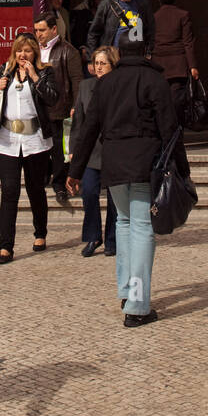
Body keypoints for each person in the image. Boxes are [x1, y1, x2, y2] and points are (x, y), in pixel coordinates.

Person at [66, 39, 188, 327]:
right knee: (142, 227)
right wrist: (183, 168)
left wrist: (75, 170)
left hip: (114, 162)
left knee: (123, 222)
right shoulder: (154, 80)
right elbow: (170, 128)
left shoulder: (105, 84)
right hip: (145, 162)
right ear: (146, 55)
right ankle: (137, 305)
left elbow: (89, 129)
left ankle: (125, 291)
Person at [0, 33, 59, 262]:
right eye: (19, 50)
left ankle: (40, 232)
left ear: (35, 52)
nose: (22, 55)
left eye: (27, 50)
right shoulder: (5, 70)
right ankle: (5, 247)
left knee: (35, 189)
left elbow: (52, 99)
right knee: (9, 191)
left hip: (34, 139)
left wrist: (35, 76)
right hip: (7, 140)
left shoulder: (46, 71)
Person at [70, 46, 119, 257]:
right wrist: (73, 150)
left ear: (113, 66)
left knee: (113, 199)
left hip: (112, 151)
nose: (98, 67)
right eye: (96, 63)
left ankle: (112, 239)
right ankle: (93, 236)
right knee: (89, 192)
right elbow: (78, 122)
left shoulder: (119, 87)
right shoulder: (85, 86)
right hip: (90, 152)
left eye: (103, 63)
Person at [33, 11, 82, 204]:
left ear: (54, 29)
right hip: (36, 108)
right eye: (36, 30)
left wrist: (76, 105)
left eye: (42, 30)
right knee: (39, 145)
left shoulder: (68, 51)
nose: (39, 34)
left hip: (58, 107)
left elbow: (77, 80)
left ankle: (59, 184)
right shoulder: (33, 49)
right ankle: (43, 177)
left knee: (57, 148)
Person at [151, 0, 198, 127]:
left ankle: (165, 128)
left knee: (162, 100)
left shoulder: (154, 17)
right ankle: (176, 129)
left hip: (159, 65)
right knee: (177, 100)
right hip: (178, 65)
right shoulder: (183, 15)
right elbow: (188, 42)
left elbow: (150, 42)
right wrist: (193, 66)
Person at [86, 0, 155, 53]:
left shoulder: (144, 4)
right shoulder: (106, 5)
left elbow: (151, 31)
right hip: (112, 55)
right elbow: (93, 34)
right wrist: (91, 59)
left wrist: (148, 52)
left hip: (136, 55)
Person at [70, 0, 103, 66]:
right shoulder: (82, 13)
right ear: (92, 1)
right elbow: (78, 33)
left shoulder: (107, 15)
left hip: (103, 52)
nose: (101, 2)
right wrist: (82, 48)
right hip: (88, 53)